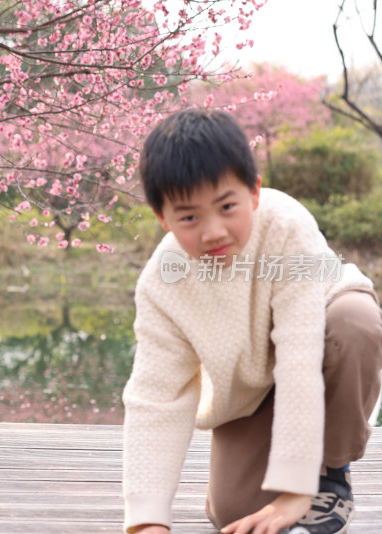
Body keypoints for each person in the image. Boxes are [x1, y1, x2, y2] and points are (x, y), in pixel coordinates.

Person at [121, 108, 382, 534]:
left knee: (356, 323)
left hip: (322, 337)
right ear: (162, 218)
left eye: (227, 206)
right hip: (249, 390)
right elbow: (156, 397)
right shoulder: (162, 283)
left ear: (254, 192)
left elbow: (300, 352)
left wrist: (296, 493)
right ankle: (284, 474)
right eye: (189, 217)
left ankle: (330, 471)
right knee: (236, 516)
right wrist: (147, 521)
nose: (213, 232)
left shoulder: (285, 225)